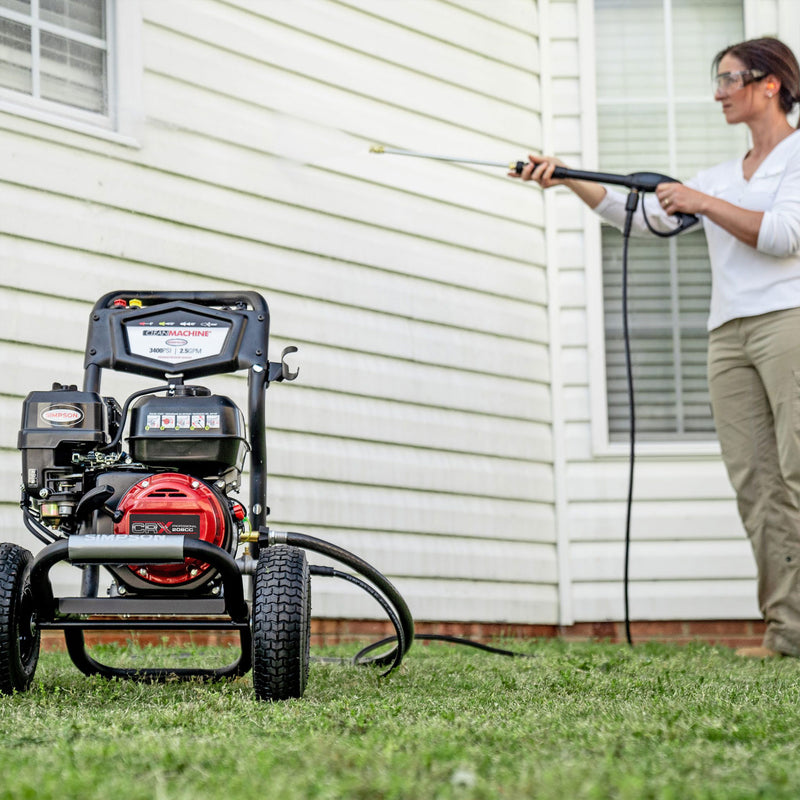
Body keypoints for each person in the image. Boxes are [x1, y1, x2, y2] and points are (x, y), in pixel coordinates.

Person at [513, 37, 800, 658]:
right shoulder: (723, 176)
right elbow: (638, 216)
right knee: (758, 485)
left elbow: (781, 236)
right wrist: (568, 179)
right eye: (717, 79)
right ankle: (789, 633)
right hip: (729, 333)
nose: (718, 92)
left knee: (799, 470)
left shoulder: (796, 158)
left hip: (789, 320)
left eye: (729, 79)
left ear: (770, 83)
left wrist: (700, 201)